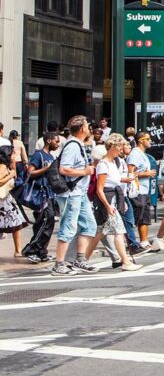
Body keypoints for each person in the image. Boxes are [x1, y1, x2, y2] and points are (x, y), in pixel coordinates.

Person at [83, 135, 142, 271]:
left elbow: (113, 180)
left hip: (113, 200)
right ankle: (126, 262)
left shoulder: (113, 163)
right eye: (120, 146)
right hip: (108, 202)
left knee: (101, 232)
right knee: (119, 231)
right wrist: (108, 206)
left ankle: (83, 259)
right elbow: (100, 189)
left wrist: (125, 179)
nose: (121, 149)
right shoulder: (103, 164)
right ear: (113, 147)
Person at [50, 116, 100, 276]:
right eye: (87, 125)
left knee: (90, 225)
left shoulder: (78, 144)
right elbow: (64, 169)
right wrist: (84, 171)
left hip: (80, 193)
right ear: (82, 129)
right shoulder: (72, 145)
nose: (89, 128)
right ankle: (59, 264)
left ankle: (79, 259)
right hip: (72, 193)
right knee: (68, 227)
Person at [20, 133, 58, 263]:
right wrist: (46, 168)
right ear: (48, 141)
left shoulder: (51, 156)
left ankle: (41, 252)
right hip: (40, 194)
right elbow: (30, 172)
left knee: (46, 222)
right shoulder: (39, 155)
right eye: (56, 141)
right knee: (46, 220)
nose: (58, 144)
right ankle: (31, 249)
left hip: (49, 192)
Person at [127, 132, 157, 253]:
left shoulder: (143, 154)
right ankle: (132, 242)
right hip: (137, 191)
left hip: (144, 189)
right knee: (136, 216)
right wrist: (146, 174)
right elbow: (130, 172)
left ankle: (144, 241)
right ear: (140, 140)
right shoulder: (135, 154)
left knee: (144, 217)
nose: (150, 141)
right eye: (147, 139)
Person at [0, 145, 28, 259]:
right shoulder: (2, 167)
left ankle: (18, 250)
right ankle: (18, 251)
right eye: (12, 154)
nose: (14, 156)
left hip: (6, 200)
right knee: (16, 224)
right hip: (2, 202)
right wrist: (10, 175)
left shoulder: (7, 166)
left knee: (15, 224)